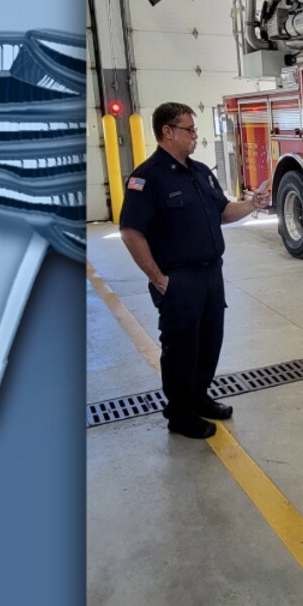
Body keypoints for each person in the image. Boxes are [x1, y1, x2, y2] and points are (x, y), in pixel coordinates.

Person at [119, 102, 271, 438]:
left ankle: (200, 397)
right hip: (179, 279)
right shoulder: (147, 178)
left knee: (209, 341)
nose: (195, 136)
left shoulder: (200, 171)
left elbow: (223, 212)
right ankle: (180, 413)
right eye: (189, 130)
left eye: (194, 129)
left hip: (211, 274)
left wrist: (252, 204)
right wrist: (158, 279)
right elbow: (131, 232)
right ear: (167, 132)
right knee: (181, 347)